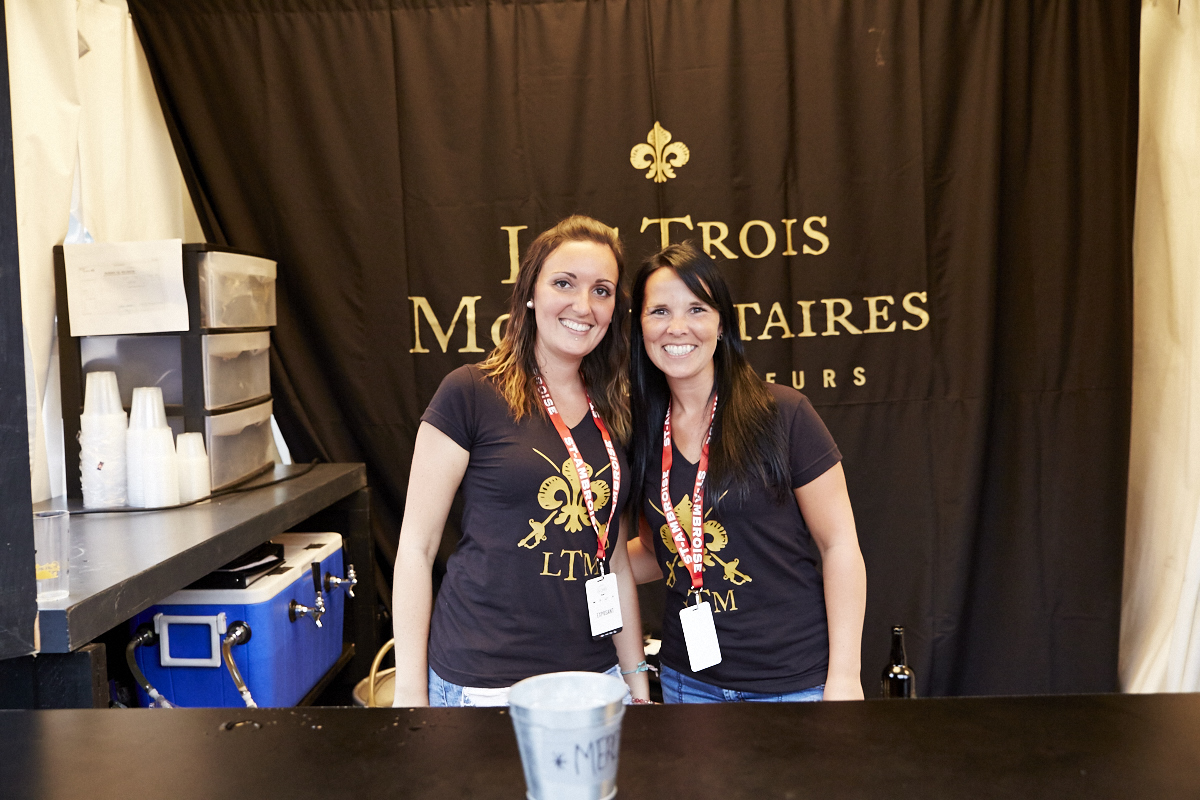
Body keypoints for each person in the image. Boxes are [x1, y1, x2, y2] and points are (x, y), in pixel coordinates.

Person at [391, 215, 650, 707]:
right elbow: (417, 550)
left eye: (602, 290)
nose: (583, 305)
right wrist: (409, 692)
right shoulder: (469, 392)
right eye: (564, 283)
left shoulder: (615, 407)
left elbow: (613, 557)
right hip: (483, 681)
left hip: (596, 678)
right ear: (531, 292)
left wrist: (634, 676)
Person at [626, 242, 866, 703]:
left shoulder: (784, 413)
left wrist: (844, 678)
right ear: (639, 326)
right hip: (686, 684)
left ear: (721, 322)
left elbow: (840, 547)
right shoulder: (639, 433)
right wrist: (575, 567)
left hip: (794, 683)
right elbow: (663, 549)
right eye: (659, 311)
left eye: (696, 308)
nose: (677, 327)